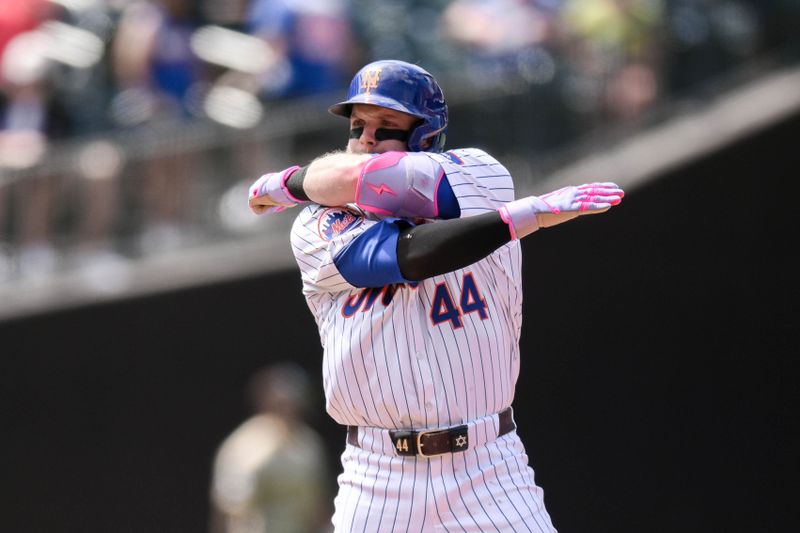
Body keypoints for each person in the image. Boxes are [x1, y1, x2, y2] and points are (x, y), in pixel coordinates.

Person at [248, 59, 624, 532]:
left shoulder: (481, 176)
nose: (365, 138)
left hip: (488, 468)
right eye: (357, 125)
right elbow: (410, 255)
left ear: (425, 135)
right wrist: (523, 217)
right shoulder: (316, 225)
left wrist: (286, 185)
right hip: (376, 476)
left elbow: (394, 183)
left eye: (386, 126)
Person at [209, 362, 332, 533]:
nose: (289, 410)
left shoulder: (310, 444)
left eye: (295, 403)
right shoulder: (242, 445)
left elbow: (319, 505)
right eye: (283, 403)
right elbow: (227, 507)